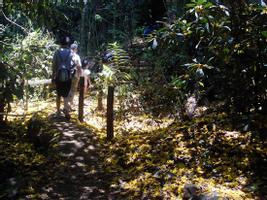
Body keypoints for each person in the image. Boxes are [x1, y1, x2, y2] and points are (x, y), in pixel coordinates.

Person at [51, 36, 72, 120]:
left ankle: (58, 112)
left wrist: (53, 77)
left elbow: (54, 66)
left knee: (59, 95)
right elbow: (73, 64)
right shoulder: (70, 52)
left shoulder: (57, 52)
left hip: (58, 76)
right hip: (68, 76)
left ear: (60, 43)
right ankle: (66, 111)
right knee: (66, 95)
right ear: (68, 44)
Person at [68, 43, 82, 108]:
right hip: (75, 75)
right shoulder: (77, 56)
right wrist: (80, 76)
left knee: (67, 89)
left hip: (66, 75)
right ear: (75, 49)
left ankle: (66, 104)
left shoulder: (67, 55)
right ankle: (70, 104)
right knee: (73, 89)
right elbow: (79, 67)